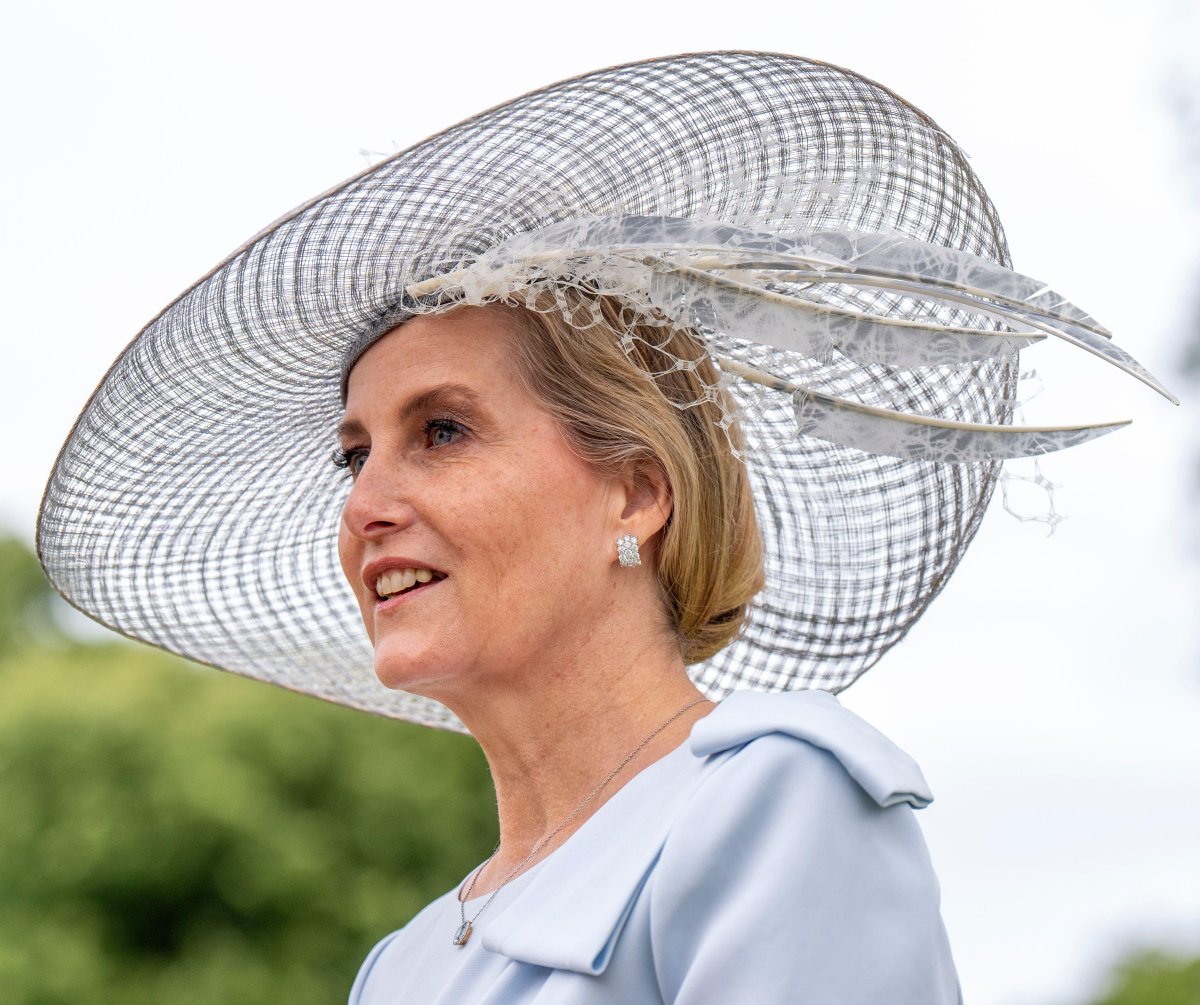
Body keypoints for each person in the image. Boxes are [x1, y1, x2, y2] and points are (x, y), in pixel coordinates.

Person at [37, 53, 1173, 1004]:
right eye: (354, 453)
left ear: (635, 493)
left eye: (439, 432)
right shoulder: (404, 966)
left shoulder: (773, 810)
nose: (364, 503)